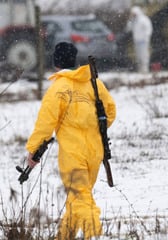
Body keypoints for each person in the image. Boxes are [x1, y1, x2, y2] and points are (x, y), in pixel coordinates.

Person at [25, 42, 116, 239]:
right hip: (95, 152)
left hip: (73, 153)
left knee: (80, 198)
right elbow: (110, 112)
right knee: (78, 197)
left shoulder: (59, 88)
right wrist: (92, 129)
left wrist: (33, 150)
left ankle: (95, 234)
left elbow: (45, 123)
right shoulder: (94, 83)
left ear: (56, 63)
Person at [126, 6, 153, 73]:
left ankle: (145, 70)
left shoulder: (143, 19)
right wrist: (130, 20)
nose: (133, 15)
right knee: (138, 56)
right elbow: (128, 29)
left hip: (143, 41)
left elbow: (148, 29)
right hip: (137, 41)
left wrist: (146, 37)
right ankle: (140, 70)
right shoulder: (133, 21)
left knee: (144, 55)